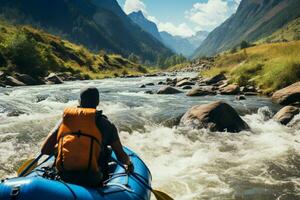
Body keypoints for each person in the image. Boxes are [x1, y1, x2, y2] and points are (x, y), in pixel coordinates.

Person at [41, 86, 133, 187]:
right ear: (97, 102)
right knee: (107, 152)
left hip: (64, 176)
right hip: (93, 179)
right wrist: (129, 164)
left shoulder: (65, 121)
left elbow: (45, 150)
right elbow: (121, 157)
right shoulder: (107, 125)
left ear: (79, 102)